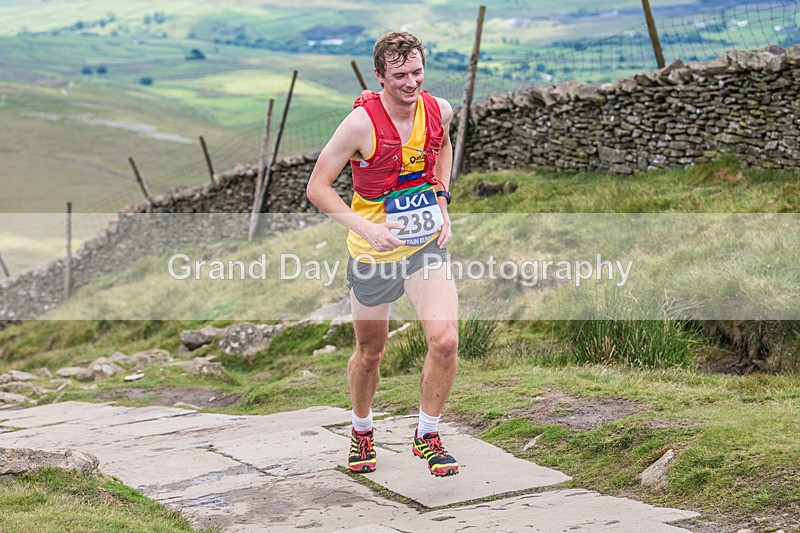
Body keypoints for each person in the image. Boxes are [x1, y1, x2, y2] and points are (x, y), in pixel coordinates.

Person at [306, 31, 459, 477]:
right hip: (372, 253)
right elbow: (317, 187)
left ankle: (426, 434)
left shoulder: (439, 110)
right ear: (380, 77)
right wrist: (366, 228)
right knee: (371, 352)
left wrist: (442, 200)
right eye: (400, 76)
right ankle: (361, 429)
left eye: (417, 72)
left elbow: (443, 146)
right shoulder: (360, 125)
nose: (411, 83)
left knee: (445, 340)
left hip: (425, 246)